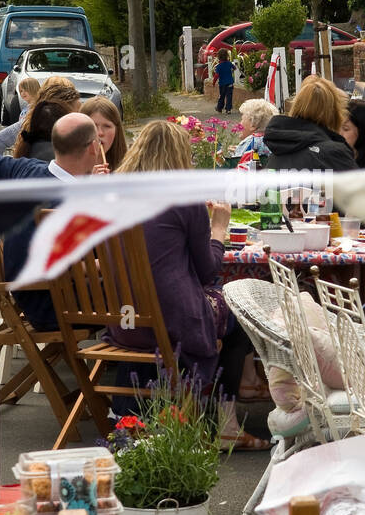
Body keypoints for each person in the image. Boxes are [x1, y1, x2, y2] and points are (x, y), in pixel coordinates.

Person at [106, 121, 269, 450]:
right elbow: (208, 272)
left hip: (122, 322)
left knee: (220, 308)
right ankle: (225, 423)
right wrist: (219, 229)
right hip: (170, 323)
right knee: (237, 312)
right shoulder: (184, 199)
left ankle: (150, 414)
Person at [0, 112, 106, 330]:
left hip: (30, 296)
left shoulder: (27, 170)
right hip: (55, 305)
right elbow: (67, 269)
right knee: (145, 288)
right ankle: (136, 360)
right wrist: (107, 264)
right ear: (92, 148)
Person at [262, 77, 357, 171]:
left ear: (295, 106)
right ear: (334, 112)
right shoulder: (335, 155)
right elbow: (358, 185)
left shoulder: (278, 150)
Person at [0, 76, 41, 155]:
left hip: (25, 132)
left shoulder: (35, 107)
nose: (22, 93)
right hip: (23, 134)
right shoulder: (29, 106)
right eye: (21, 91)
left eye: (25, 90)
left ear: (33, 89)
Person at [80, 96, 128, 170]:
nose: (100, 133)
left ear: (117, 130)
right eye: (93, 126)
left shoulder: (130, 168)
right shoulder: (68, 169)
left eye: (107, 126)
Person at [230, 98, 276, 164]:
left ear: (253, 124)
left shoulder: (250, 142)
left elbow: (235, 167)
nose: (240, 123)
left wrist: (241, 149)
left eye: (242, 119)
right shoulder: (273, 140)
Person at [212, 48, 236, 114]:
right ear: (227, 56)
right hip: (230, 83)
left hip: (222, 84)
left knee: (221, 96)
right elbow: (235, 68)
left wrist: (213, 83)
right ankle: (228, 109)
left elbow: (216, 75)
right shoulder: (229, 63)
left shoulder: (219, 66)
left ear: (218, 57)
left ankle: (219, 108)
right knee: (229, 96)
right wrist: (231, 71)